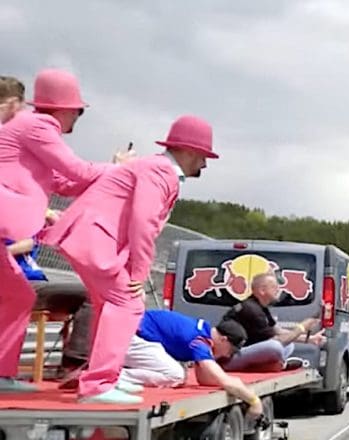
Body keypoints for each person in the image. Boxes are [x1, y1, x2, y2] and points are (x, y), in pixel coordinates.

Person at [40, 114, 218, 404]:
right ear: (189, 151)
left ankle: (101, 379)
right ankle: (98, 384)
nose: (205, 164)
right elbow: (143, 221)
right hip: (96, 241)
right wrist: (138, 270)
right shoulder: (162, 172)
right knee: (128, 303)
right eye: (203, 156)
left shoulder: (152, 167)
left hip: (89, 237)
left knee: (108, 305)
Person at [0, 69, 132, 393]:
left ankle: (3, 374)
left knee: (18, 295)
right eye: (80, 110)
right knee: (16, 295)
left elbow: (64, 182)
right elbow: (76, 170)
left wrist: (108, 171)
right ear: (64, 108)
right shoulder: (38, 125)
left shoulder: (28, 130)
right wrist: (118, 169)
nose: (78, 118)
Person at [116, 309, 264, 419]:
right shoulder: (199, 341)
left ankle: (114, 375)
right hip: (130, 336)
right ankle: (116, 378)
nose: (227, 355)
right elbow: (224, 381)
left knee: (178, 372)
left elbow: (204, 380)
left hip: (131, 332)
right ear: (223, 339)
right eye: (231, 350)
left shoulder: (202, 331)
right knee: (175, 375)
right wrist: (254, 400)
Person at [218, 272, 325, 372]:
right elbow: (278, 340)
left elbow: (277, 331)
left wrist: (310, 339)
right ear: (262, 290)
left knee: (288, 345)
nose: (278, 290)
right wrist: (301, 327)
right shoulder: (251, 309)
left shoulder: (260, 306)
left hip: (244, 351)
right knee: (275, 346)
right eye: (274, 287)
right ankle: (270, 366)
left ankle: (267, 366)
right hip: (229, 357)